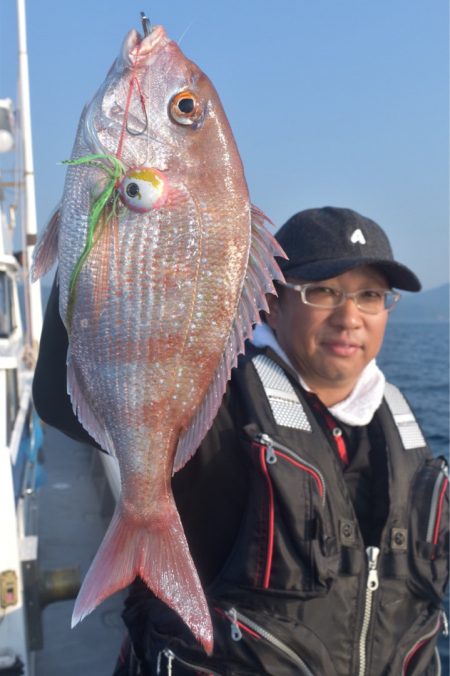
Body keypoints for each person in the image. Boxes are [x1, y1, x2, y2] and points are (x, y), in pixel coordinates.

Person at [33, 206, 449, 675]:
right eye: (323, 292)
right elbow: (60, 404)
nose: (349, 316)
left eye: (370, 295)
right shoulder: (217, 397)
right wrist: (93, 223)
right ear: (271, 301)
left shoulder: (398, 420)